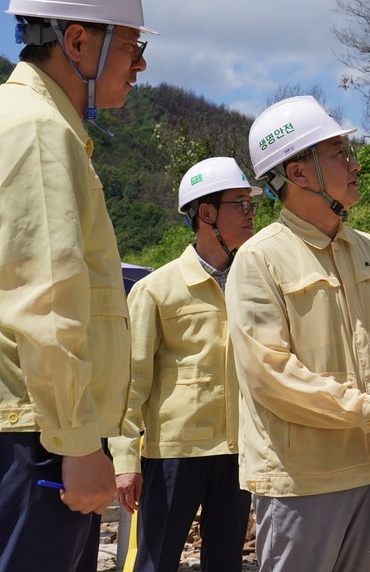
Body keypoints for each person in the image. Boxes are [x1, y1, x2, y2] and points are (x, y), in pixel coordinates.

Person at [0, 0, 153, 571]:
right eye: (132, 47)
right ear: (77, 41)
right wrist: (79, 443)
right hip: (28, 439)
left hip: (24, 433)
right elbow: (44, 302)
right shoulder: (35, 131)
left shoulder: (24, 125)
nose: (139, 66)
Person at [227, 96, 370, 572]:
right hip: (304, 482)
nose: (354, 162)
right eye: (339, 151)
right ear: (297, 174)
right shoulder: (260, 260)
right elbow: (269, 374)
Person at [112, 157, 262, 572]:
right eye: (241, 204)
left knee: (226, 562)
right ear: (206, 213)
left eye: (253, 205)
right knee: (157, 560)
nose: (251, 214)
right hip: (174, 453)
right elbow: (130, 383)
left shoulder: (257, 284)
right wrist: (125, 462)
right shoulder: (155, 291)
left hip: (238, 450)